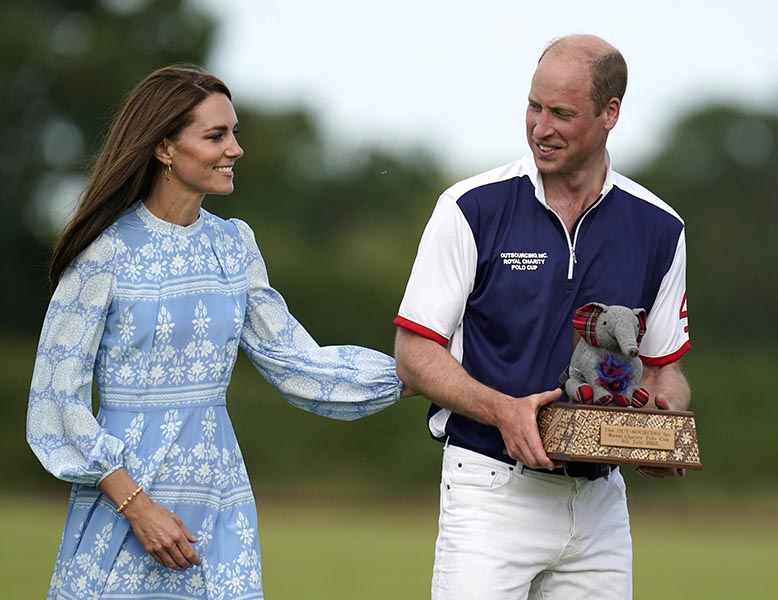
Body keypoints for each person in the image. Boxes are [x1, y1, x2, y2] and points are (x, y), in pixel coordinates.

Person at [26, 64, 406, 599]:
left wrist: (418, 373)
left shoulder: (234, 246)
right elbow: (55, 401)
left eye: (235, 133)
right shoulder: (103, 252)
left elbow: (295, 361)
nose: (235, 149)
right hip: (126, 506)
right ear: (163, 148)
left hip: (219, 499)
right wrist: (137, 506)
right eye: (215, 135)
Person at [394, 34, 691, 599]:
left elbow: (662, 366)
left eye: (561, 113)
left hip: (601, 505)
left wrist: (662, 423)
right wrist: (503, 411)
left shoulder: (660, 227)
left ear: (610, 114)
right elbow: (413, 355)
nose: (540, 127)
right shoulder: (470, 207)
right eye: (534, 107)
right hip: (489, 490)